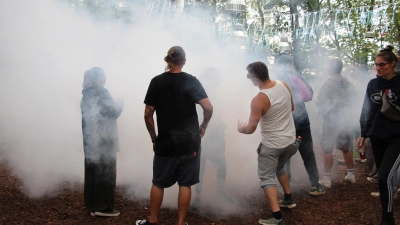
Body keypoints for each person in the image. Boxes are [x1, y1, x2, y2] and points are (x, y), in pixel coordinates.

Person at [137, 46, 213, 225]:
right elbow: (208, 108)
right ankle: (180, 223)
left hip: (166, 142)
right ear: (184, 61)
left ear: (168, 60)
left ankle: (153, 220)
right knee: (185, 184)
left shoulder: (156, 82)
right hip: (189, 142)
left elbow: (148, 114)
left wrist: (154, 138)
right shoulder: (192, 81)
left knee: (158, 183)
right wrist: (203, 125)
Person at [237, 61, 299, 225]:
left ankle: (277, 218)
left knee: (266, 177)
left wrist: (240, 128)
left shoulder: (259, 99)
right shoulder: (283, 85)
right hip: (291, 142)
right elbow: (292, 107)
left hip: (273, 145)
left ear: (256, 78)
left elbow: (250, 129)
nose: (249, 79)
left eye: (249, 76)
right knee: (279, 167)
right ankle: (288, 198)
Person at [357, 45, 400, 225]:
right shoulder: (373, 84)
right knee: (384, 181)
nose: (378, 68)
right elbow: (367, 110)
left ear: (393, 64)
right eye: (376, 64)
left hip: (397, 137)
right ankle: (387, 214)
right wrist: (363, 133)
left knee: (384, 177)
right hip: (377, 136)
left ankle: (388, 219)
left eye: (382, 64)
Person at [274, 55, 325, 196]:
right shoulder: (295, 77)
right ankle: (315, 185)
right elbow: (309, 95)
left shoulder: (273, 79)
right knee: (307, 152)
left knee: (285, 154)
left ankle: (285, 186)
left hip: (282, 122)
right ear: (291, 64)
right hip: (300, 121)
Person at [80, 67, 124, 217]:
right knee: (105, 173)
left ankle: (92, 206)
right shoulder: (102, 92)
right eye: (104, 75)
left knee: (93, 172)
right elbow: (114, 111)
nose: (106, 78)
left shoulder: (86, 94)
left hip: (91, 142)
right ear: (98, 78)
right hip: (104, 141)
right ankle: (103, 207)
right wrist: (121, 102)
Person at [316, 58, 357, 188]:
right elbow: (354, 100)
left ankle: (327, 179)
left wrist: (319, 105)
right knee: (346, 148)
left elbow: (322, 101)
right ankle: (351, 175)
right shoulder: (348, 83)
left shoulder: (328, 83)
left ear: (331, 68)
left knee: (327, 148)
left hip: (331, 120)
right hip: (344, 120)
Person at [193, 68, 230, 208]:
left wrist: (221, 123)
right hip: (202, 134)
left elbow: (216, 113)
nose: (216, 81)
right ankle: (197, 197)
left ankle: (220, 192)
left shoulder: (216, 94)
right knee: (200, 165)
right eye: (213, 78)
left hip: (216, 135)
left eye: (217, 78)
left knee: (221, 163)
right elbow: (198, 114)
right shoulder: (199, 93)